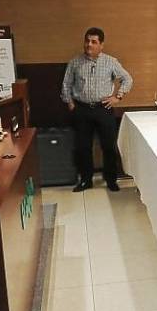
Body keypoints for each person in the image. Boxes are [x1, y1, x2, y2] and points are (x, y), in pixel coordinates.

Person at [61, 27, 133, 192]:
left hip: (103, 109)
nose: (89, 44)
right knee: (83, 147)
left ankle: (111, 180)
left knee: (108, 146)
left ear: (101, 45)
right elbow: (66, 84)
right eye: (87, 41)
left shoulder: (110, 62)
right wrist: (70, 102)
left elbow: (127, 79)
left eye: (94, 42)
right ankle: (86, 180)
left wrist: (118, 97)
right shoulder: (75, 62)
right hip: (82, 110)